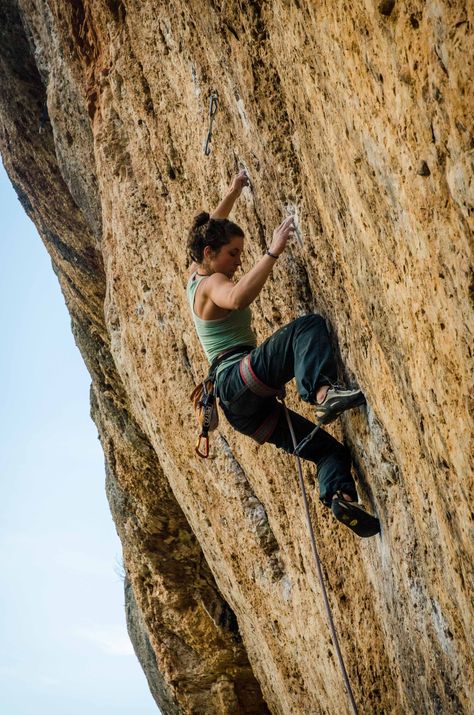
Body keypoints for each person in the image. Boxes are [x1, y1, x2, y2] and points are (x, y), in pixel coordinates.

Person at [186, 171, 380, 537]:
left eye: (240, 255)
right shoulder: (213, 284)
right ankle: (322, 393)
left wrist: (232, 192)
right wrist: (272, 251)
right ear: (211, 254)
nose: (237, 262)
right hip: (234, 379)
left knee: (327, 452)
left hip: (242, 408)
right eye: (233, 254)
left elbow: (210, 229)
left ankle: (339, 495)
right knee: (306, 328)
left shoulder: (196, 274)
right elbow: (239, 296)